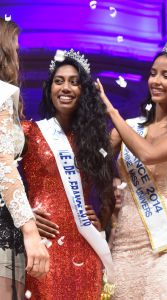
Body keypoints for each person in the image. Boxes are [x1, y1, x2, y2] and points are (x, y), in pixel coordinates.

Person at [97, 32, 167, 299]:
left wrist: (112, 113)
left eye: (166, 75)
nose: (156, 81)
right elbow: (92, 161)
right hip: (124, 248)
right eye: (153, 73)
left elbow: (149, 154)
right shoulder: (131, 127)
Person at [21, 49, 115, 299]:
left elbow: (110, 190)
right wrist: (23, 215)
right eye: (59, 81)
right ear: (49, 88)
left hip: (85, 244)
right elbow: (3, 175)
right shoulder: (29, 132)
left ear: (83, 91)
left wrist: (101, 219)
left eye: (74, 82)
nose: (66, 88)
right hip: (43, 243)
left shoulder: (93, 140)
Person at [0, 17, 49, 299]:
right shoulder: (2, 93)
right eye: (16, 49)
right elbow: (3, 164)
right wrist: (30, 231)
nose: (18, 57)